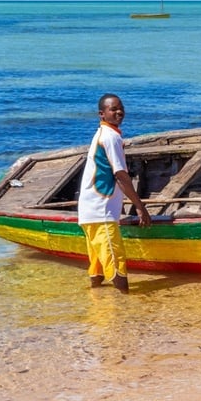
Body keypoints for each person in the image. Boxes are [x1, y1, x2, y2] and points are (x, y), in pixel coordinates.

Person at [77, 93, 151, 294]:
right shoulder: (111, 137)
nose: (119, 112)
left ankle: (98, 302)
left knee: (98, 264)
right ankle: (123, 304)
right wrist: (140, 207)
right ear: (102, 114)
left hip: (89, 209)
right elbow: (120, 175)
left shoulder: (102, 133)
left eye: (121, 108)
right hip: (101, 210)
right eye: (113, 109)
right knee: (116, 260)